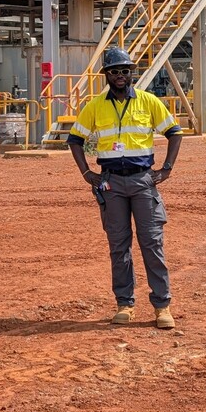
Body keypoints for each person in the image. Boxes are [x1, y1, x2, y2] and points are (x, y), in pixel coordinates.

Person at [68, 47, 183, 329]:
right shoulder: (95, 106)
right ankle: (125, 304)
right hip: (111, 183)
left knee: (152, 243)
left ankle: (162, 306)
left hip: (143, 181)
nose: (120, 76)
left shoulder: (148, 102)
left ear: (132, 73)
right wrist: (87, 173)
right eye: (114, 71)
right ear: (106, 75)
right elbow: (74, 140)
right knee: (118, 246)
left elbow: (174, 133)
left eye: (124, 71)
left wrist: (166, 169)